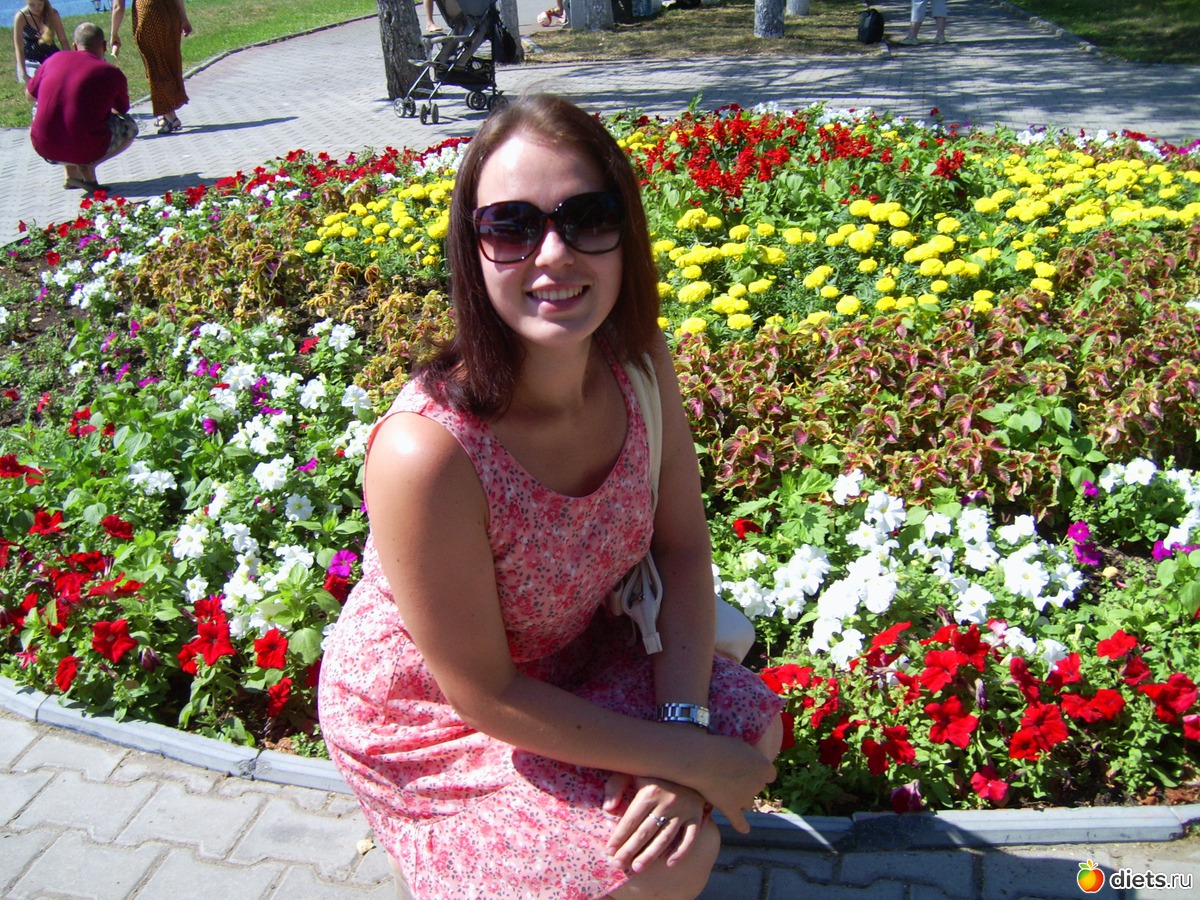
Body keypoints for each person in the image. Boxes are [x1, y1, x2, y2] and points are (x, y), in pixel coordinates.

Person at [318, 93, 783, 900]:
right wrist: (688, 761)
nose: (554, 254)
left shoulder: (636, 364)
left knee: (753, 725)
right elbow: (484, 692)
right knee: (676, 858)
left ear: (625, 232)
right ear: (473, 250)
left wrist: (679, 745)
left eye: (586, 217)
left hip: (576, 658)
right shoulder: (428, 451)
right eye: (513, 226)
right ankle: (458, 851)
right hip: (440, 717)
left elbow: (681, 551)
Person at [26, 22, 136, 194]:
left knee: (42, 106)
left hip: (46, 148)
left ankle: (71, 176)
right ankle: (88, 165)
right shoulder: (111, 72)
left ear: (75, 45)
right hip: (88, 147)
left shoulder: (53, 59)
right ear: (104, 46)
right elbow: (122, 109)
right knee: (130, 126)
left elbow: (29, 95)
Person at [110, 0, 191, 134]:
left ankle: (172, 118)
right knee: (170, 62)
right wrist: (183, 17)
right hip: (171, 12)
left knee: (155, 66)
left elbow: (118, 6)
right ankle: (163, 114)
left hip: (148, 14)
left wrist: (114, 34)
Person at [12, 0, 69, 87]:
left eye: (39, 4)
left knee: (60, 78)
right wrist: (24, 73)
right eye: (32, 5)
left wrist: (69, 61)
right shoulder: (21, 17)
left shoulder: (52, 14)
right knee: (37, 81)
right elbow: (19, 48)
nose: (36, 8)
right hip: (31, 59)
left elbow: (63, 40)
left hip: (50, 55)